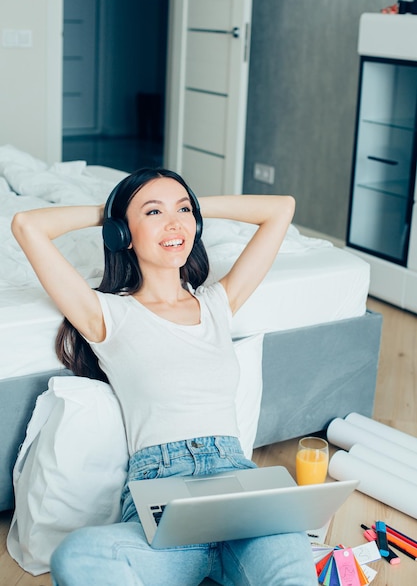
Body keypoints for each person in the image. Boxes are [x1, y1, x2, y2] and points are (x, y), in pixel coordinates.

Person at [11, 167, 317, 586]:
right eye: (153, 213)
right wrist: (113, 212)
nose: (174, 223)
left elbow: (281, 209)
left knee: (292, 566)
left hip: (241, 491)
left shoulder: (216, 304)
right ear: (124, 233)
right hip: (162, 498)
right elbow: (26, 225)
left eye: (183, 211)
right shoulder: (107, 315)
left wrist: (187, 208)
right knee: (77, 557)